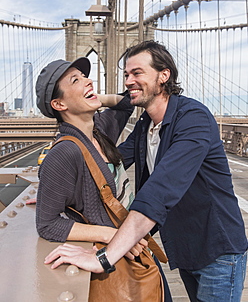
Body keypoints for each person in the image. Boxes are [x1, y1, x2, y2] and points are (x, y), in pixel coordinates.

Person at [44, 41, 247, 302]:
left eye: (137, 73)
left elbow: (159, 192)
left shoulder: (193, 118)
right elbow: (110, 160)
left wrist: (104, 258)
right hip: (184, 247)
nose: (129, 81)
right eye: (126, 74)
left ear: (164, 76)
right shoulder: (147, 123)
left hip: (217, 250)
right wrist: (55, 189)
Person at [35, 56, 137, 246]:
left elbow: (126, 103)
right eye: (76, 80)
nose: (88, 80)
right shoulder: (64, 153)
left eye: (84, 76)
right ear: (59, 104)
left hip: (130, 242)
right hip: (112, 254)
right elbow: (47, 224)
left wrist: (97, 98)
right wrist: (111, 235)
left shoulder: (99, 130)